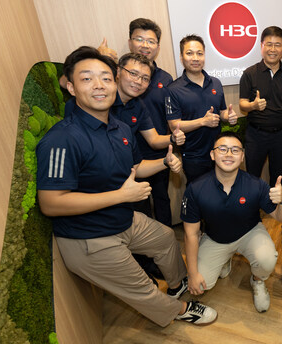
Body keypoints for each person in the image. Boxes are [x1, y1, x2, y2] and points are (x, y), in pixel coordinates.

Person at [36, 46, 217, 327]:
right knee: (142, 287)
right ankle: (180, 310)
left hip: (122, 218)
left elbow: (135, 168)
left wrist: (165, 162)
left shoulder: (119, 128)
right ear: (71, 87)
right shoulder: (61, 139)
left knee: (166, 238)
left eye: (105, 78)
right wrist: (121, 195)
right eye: (87, 79)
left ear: (114, 81)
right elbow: (51, 203)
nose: (99, 85)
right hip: (89, 237)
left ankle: (178, 284)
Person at [181, 132, 282, 312]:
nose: (229, 154)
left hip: (249, 232)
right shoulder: (196, 188)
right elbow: (191, 234)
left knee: (267, 259)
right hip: (215, 238)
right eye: (222, 149)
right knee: (199, 285)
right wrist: (192, 274)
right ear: (212, 154)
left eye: (235, 150)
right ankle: (225, 259)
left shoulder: (256, 185)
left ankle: (257, 280)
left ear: (242, 156)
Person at [95, 18, 179, 227]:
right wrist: (98, 59)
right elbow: (68, 81)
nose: (138, 81)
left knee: (157, 200)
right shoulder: (100, 96)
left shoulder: (146, 98)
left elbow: (155, 136)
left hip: (146, 157)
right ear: (118, 72)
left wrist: (173, 140)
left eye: (144, 78)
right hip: (107, 173)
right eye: (133, 74)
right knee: (131, 209)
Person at [166, 35, 238, 183]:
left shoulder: (215, 83)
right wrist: (202, 121)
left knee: (222, 189)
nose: (195, 58)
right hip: (194, 156)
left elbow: (221, 112)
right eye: (189, 53)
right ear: (181, 57)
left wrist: (228, 116)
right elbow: (174, 125)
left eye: (199, 53)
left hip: (219, 151)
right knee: (198, 192)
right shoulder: (173, 89)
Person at [239, 26, 282, 185]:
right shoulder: (249, 73)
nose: (273, 49)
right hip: (256, 135)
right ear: (262, 46)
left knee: (277, 176)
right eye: (269, 44)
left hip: (281, 135)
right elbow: (242, 104)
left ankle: (274, 201)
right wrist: (253, 105)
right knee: (252, 177)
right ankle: (253, 202)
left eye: (277, 45)